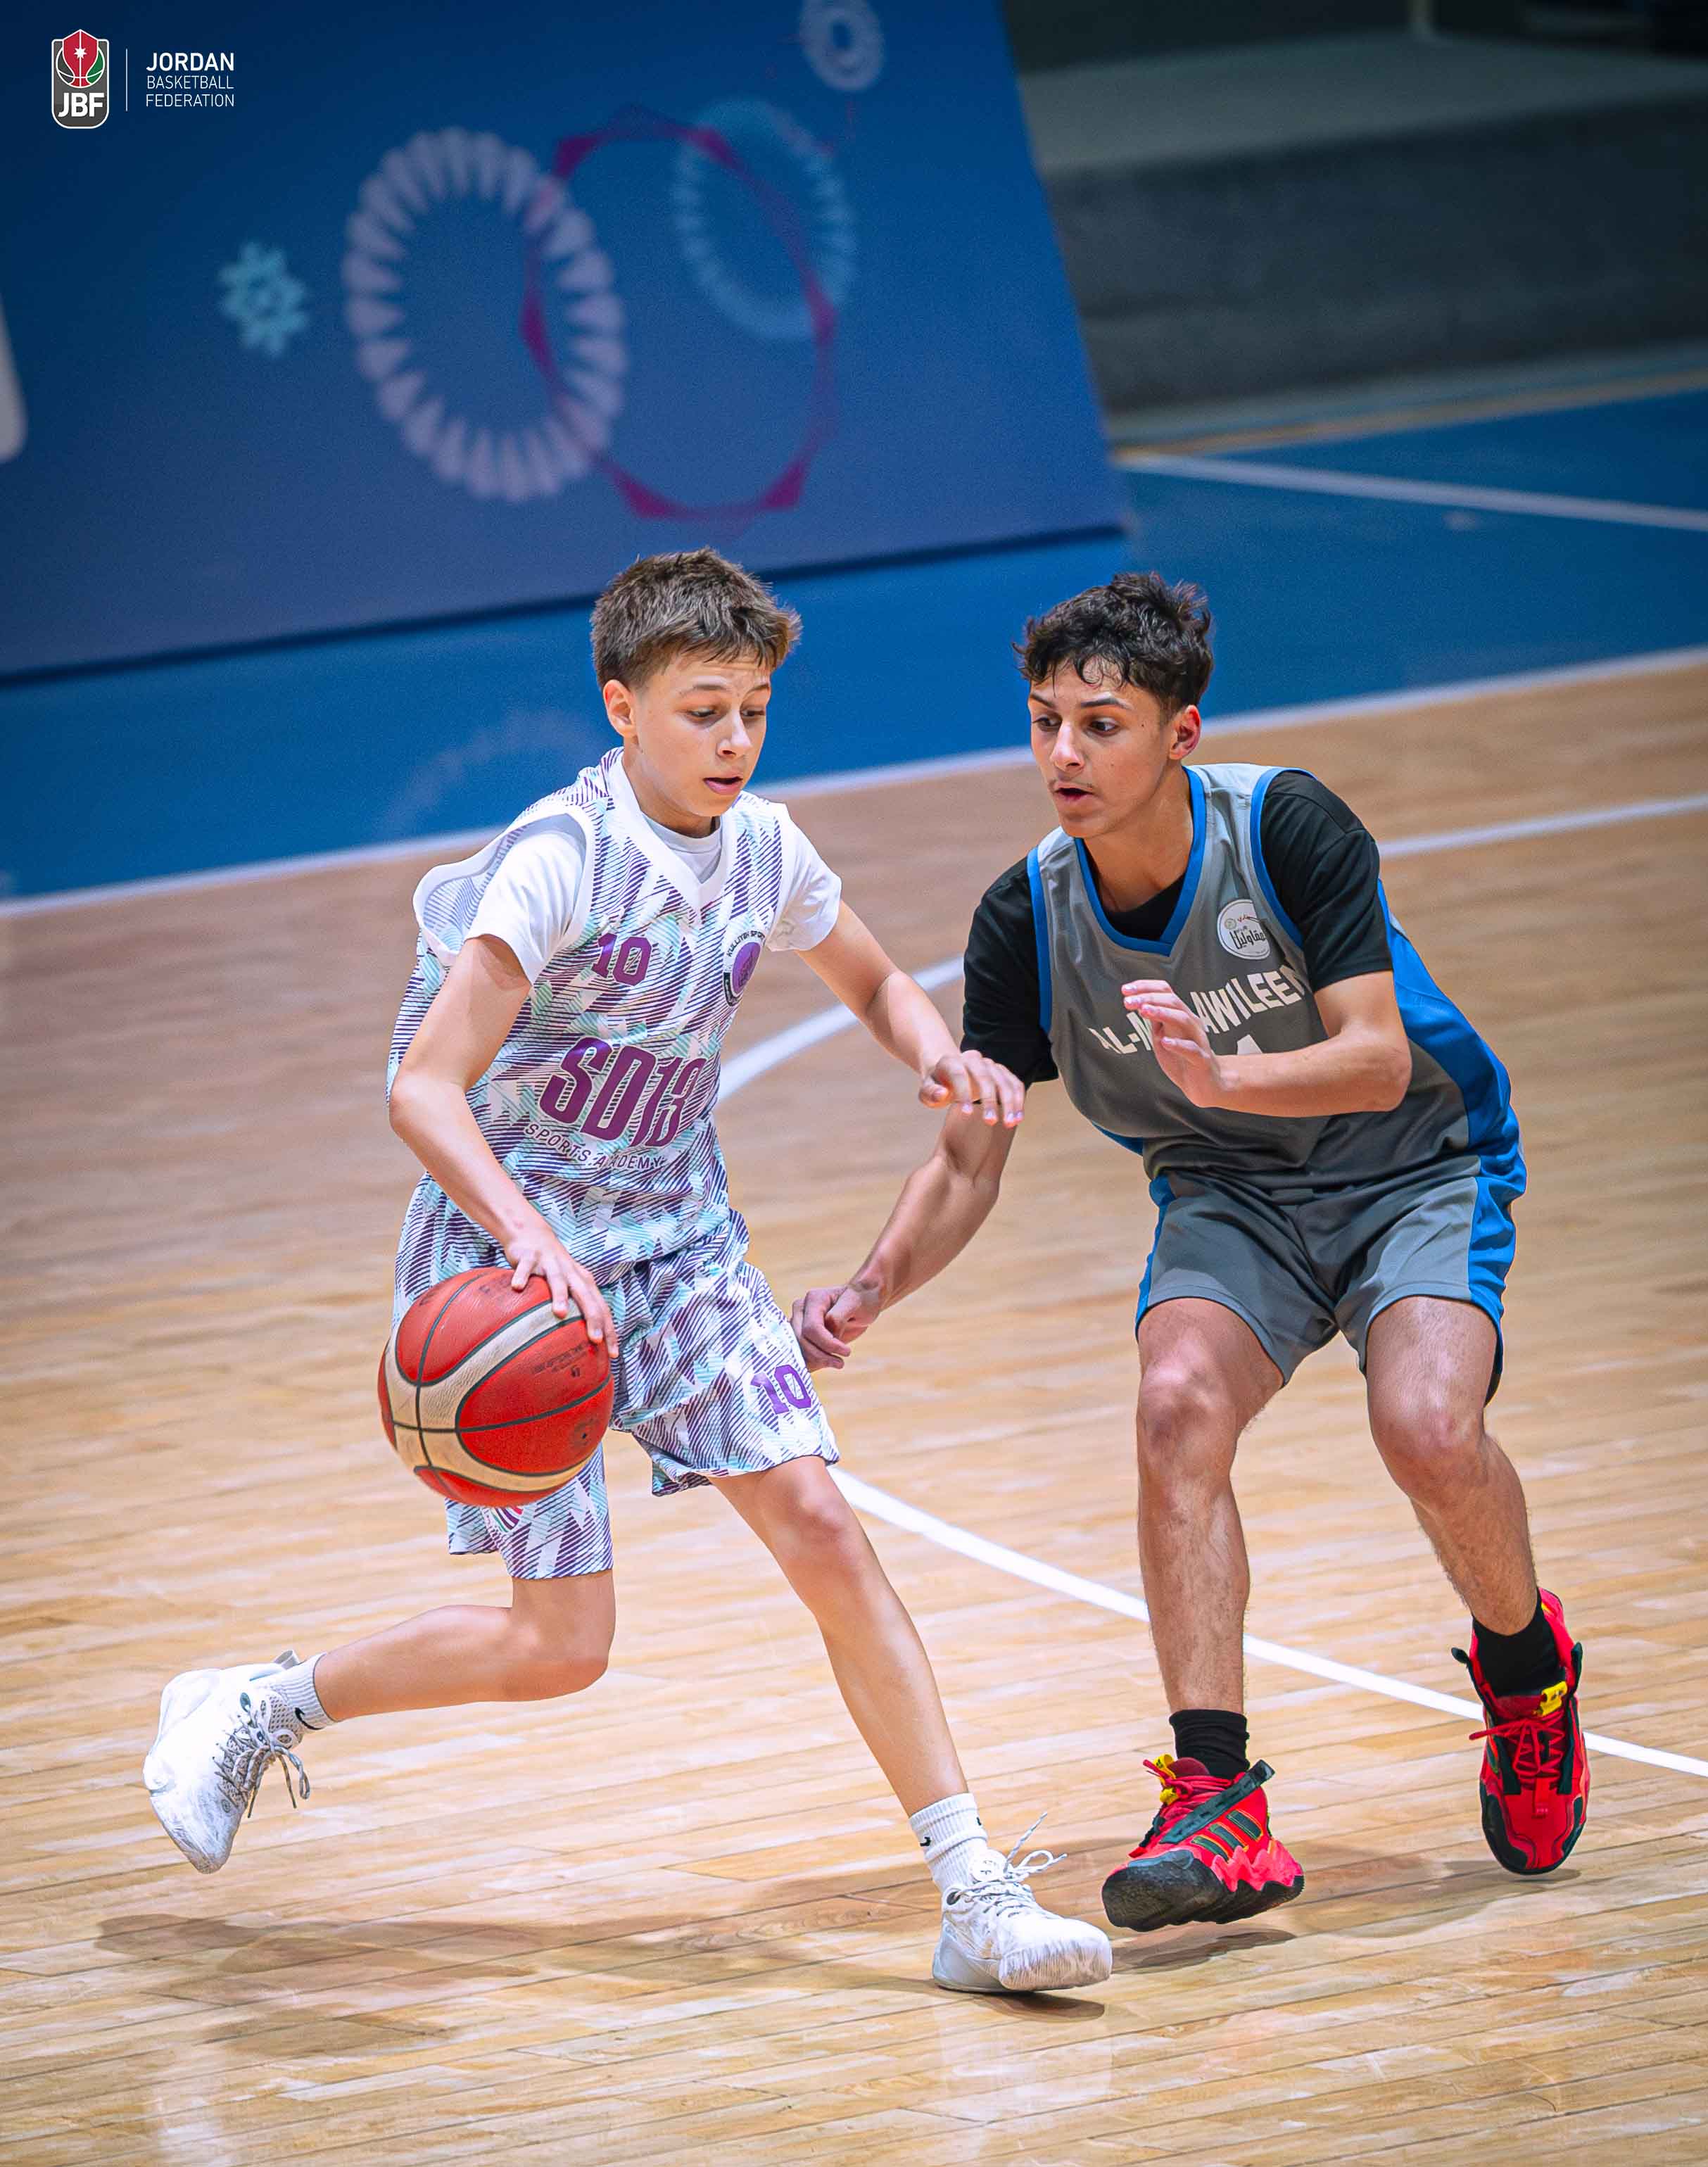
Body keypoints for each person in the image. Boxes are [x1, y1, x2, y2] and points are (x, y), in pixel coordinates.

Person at [142, 548, 1110, 1997]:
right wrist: (529, 1237)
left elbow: (865, 975)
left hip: (679, 1245)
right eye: (704, 711)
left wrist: (938, 1054)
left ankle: (974, 1897)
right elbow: (422, 1088)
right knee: (561, 1647)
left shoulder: (765, 847)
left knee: (823, 1527)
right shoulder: (561, 859)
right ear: (622, 707)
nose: (735, 740)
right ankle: (260, 1706)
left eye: (754, 710)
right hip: (517, 1265)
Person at [793, 571, 1588, 1934]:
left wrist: (1220, 1075)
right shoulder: (1026, 918)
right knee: (1173, 1405)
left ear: (1181, 732)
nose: (1063, 754)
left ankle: (1528, 1678)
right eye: (1044, 721)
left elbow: (1375, 1056)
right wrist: (872, 1284)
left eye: (1099, 725)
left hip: (1412, 1165)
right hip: (1229, 1195)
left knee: (1423, 1427)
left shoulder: (1288, 827)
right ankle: (1217, 1799)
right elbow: (969, 1156)